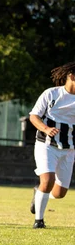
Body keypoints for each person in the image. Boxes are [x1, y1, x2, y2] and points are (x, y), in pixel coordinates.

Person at [29, 62, 75, 229]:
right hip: (46, 145)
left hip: (69, 149)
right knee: (47, 181)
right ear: (71, 76)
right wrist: (46, 129)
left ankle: (39, 192)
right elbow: (34, 116)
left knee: (59, 193)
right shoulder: (51, 94)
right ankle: (39, 221)